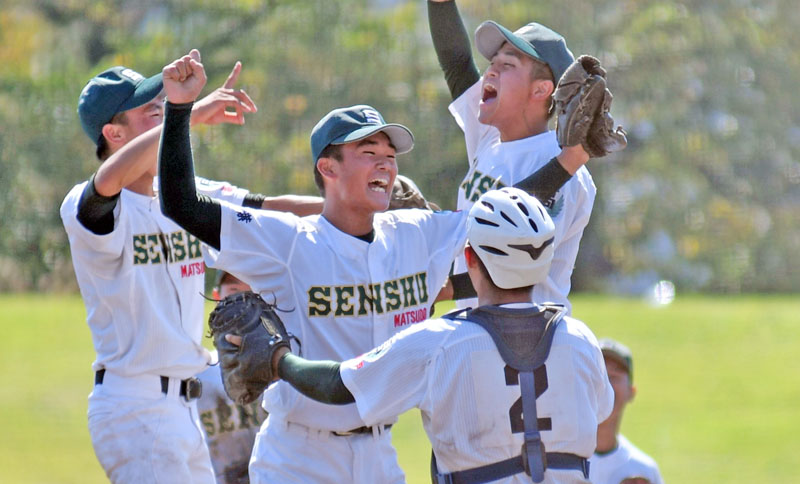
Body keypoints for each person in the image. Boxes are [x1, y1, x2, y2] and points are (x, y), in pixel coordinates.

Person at [157, 50, 588, 484]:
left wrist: (572, 159)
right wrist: (179, 108)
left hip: (380, 455)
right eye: (368, 151)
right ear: (328, 167)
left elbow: (503, 214)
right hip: (298, 455)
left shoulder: (418, 233)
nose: (386, 162)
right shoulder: (287, 242)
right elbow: (182, 204)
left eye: (390, 154)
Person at [232, 187, 613, 484]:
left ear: (469, 259)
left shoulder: (439, 342)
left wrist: (280, 361)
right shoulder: (580, 340)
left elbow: (339, 386)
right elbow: (599, 412)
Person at [60, 59, 319, 483]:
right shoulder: (88, 208)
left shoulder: (183, 197)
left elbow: (268, 209)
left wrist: (356, 210)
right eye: (151, 111)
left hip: (184, 408)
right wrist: (189, 113)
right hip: (133, 406)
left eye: (163, 107)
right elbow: (107, 181)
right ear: (114, 133)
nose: (162, 111)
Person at [428, 0, 596, 314]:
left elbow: (516, 258)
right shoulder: (491, 137)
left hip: (532, 344)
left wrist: (440, 287)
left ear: (540, 89)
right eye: (493, 61)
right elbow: (457, 63)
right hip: (483, 330)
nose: (490, 69)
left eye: (508, 65)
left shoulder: (564, 167)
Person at [198, 270, 267, 484]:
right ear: (217, 296)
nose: (241, 302)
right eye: (234, 291)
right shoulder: (196, 374)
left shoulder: (280, 369)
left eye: (251, 293)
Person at [589, 339, 665, 484]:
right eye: (600, 373)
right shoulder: (555, 459)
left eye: (614, 377)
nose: (606, 385)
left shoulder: (644, 469)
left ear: (631, 391)